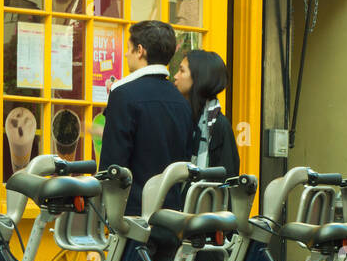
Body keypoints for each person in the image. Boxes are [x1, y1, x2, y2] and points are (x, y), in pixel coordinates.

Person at [98, 21, 195, 217]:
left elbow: (113, 164)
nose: (125, 54)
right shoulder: (182, 102)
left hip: (131, 213)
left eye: (128, 48)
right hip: (172, 213)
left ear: (140, 51)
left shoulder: (123, 94)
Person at [172, 49, 241, 179]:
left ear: (200, 77)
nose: (175, 76)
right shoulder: (179, 116)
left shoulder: (219, 126)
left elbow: (226, 179)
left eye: (182, 71)